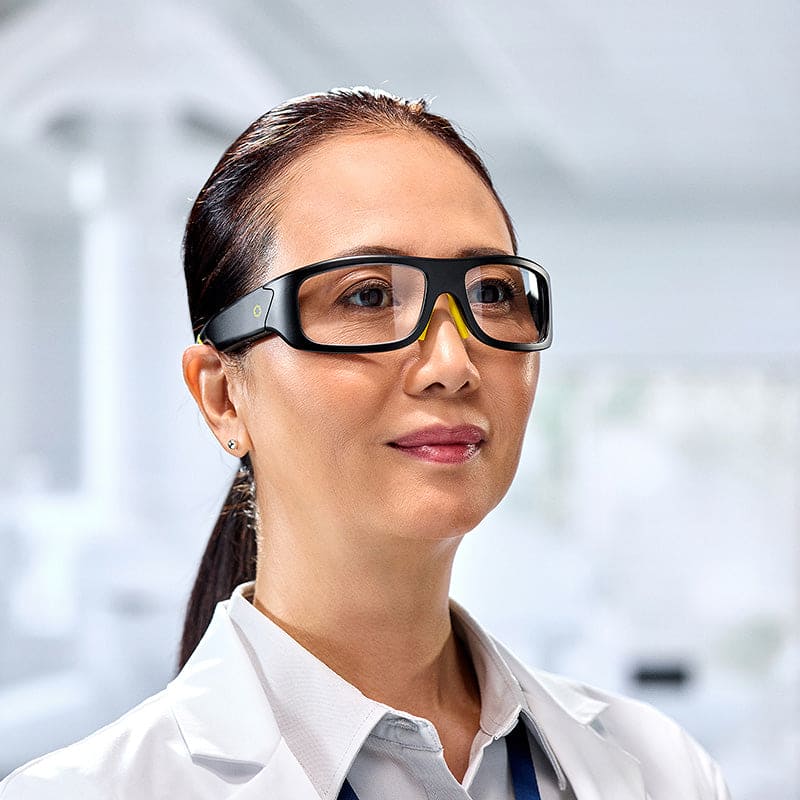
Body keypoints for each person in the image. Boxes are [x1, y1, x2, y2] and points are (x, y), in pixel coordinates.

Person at [0, 87, 730, 800]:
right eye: (368, 296)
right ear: (223, 397)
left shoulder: (663, 772)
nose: (453, 363)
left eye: (491, 294)